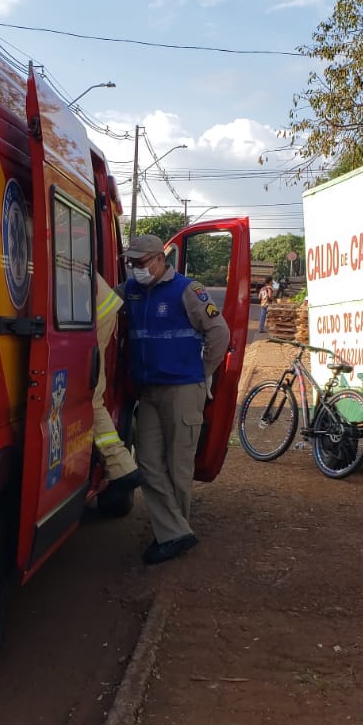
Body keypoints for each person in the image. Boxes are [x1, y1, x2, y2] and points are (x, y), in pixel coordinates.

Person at [119, 233, 231, 565]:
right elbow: (101, 302)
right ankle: (176, 532)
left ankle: (172, 535)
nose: (135, 268)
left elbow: (219, 332)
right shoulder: (131, 291)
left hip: (183, 390)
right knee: (148, 462)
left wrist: (202, 370)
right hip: (149, 391)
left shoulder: (187, 289)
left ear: (158, 259)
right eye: (131, 263)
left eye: (140, 262)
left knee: (178, 465)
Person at [92, 271, 141, 504]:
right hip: (102, 307)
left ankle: (121, 467)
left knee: (90, 398)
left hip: (99, 312)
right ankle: (122, 465)